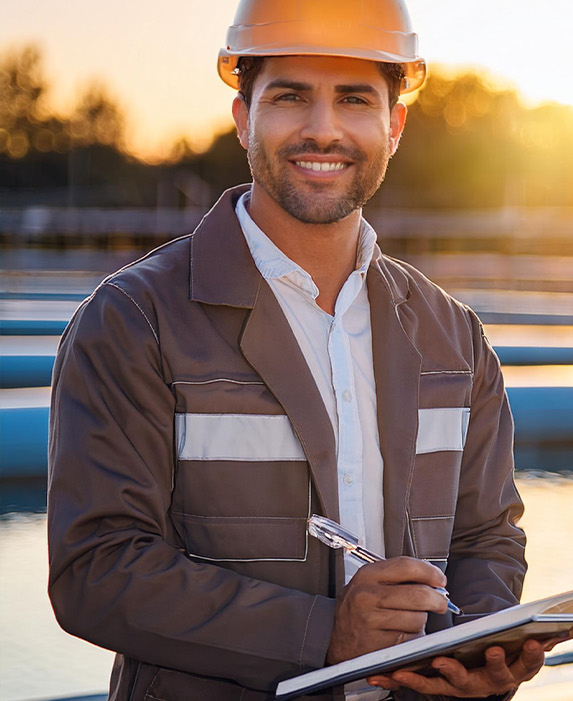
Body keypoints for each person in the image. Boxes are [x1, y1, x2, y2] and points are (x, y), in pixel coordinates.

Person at [46, 1, 543, 698]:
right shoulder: (135, 321)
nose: (323, 129)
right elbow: (96, 571)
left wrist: (482, 643)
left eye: (354, 99)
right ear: (243, 117)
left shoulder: (453, 336)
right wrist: (323, 634)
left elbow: (487, 538)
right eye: (290, 96)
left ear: (393, 125)